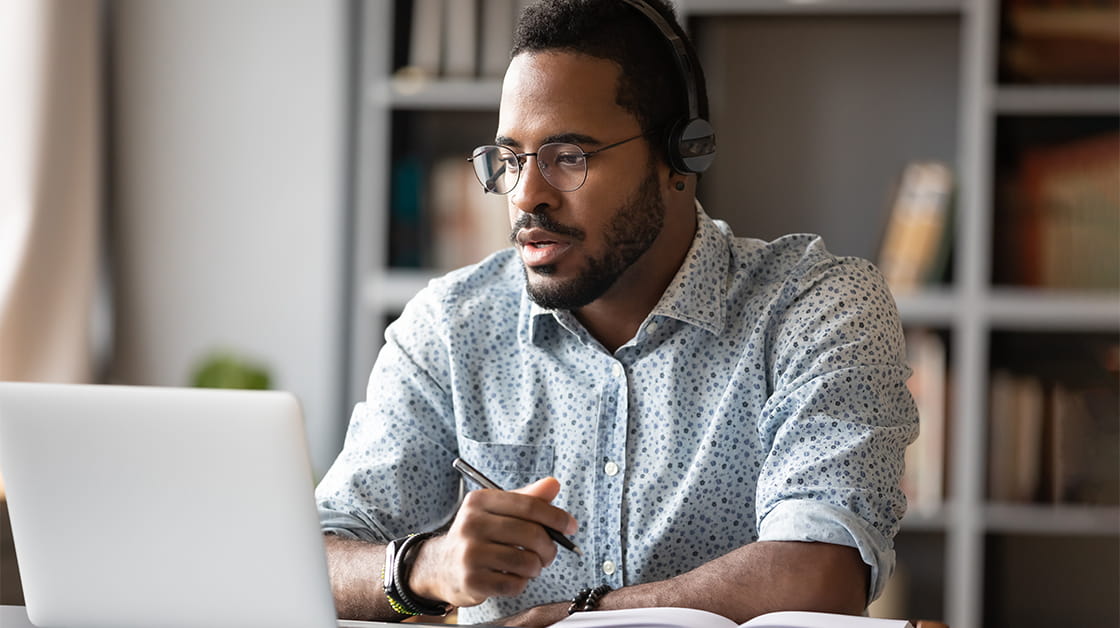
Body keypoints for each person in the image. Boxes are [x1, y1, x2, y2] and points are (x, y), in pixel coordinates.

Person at [315, 1, 918, 626]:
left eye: (568, 156)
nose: (527, 194)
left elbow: (819, 572)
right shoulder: (450, 327)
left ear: (681, 156)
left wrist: (576, 618)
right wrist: (422, 567)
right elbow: (316, 559)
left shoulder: (816, 308)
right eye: (510, 158)